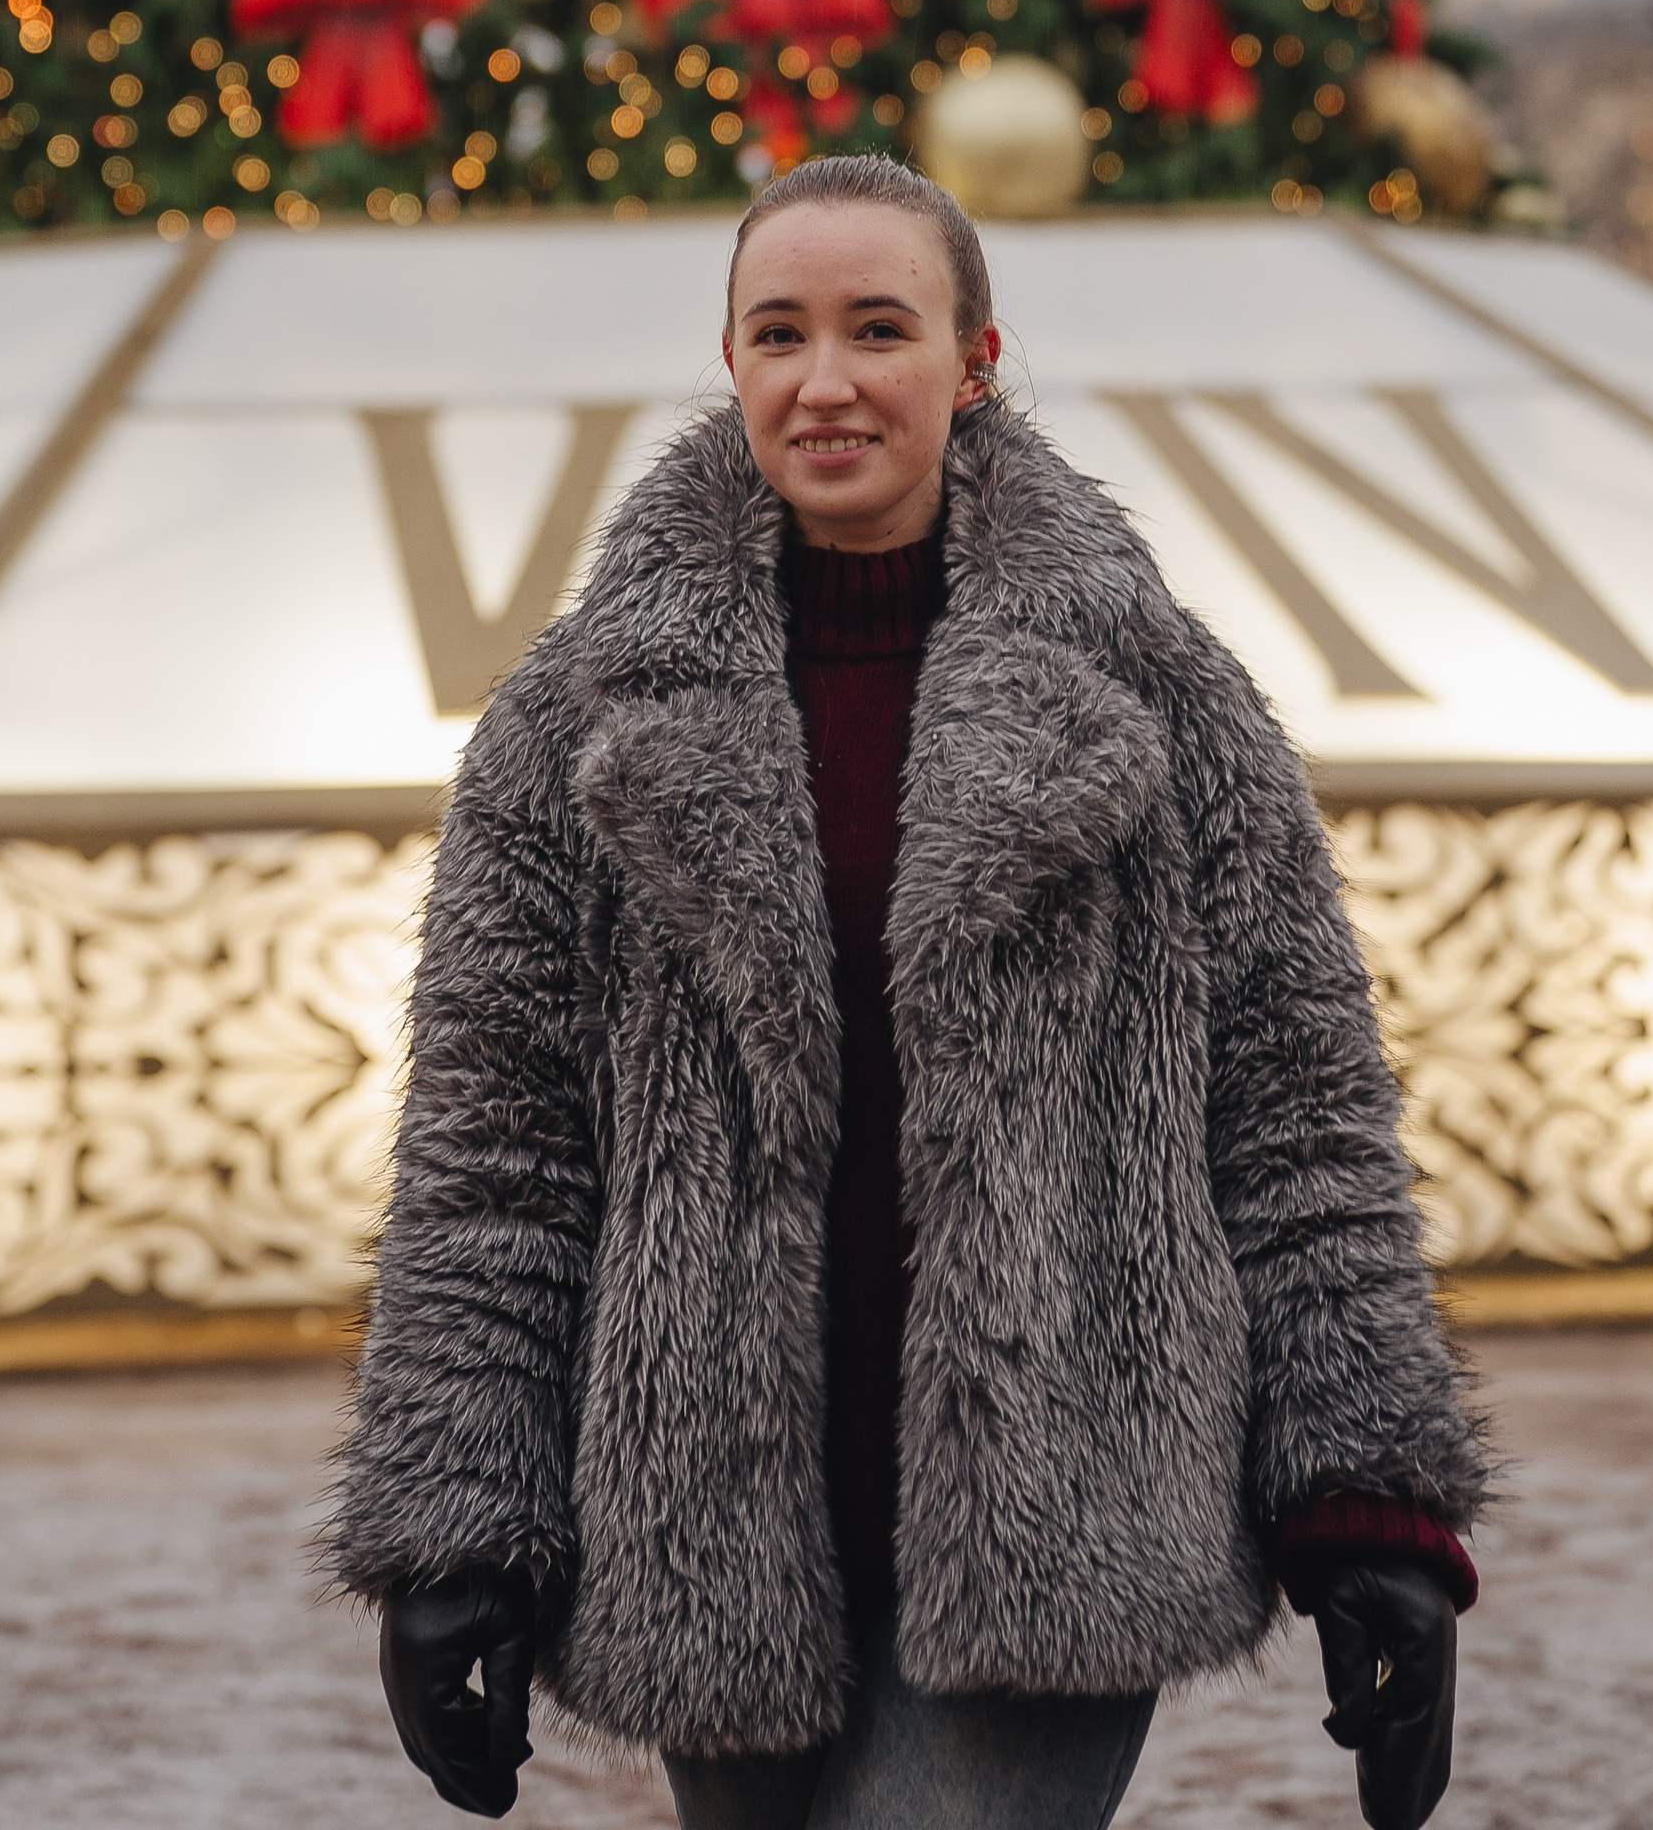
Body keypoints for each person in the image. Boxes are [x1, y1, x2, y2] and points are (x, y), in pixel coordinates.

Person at [336, 154, 1483, 1830]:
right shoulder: (570, 725)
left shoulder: (1165, 703)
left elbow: (1300, 1125)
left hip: (1067, 1501)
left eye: (880, 329)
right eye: (780, 333)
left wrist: (1373, 1508)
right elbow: (495, 1161)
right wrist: (456, 1532)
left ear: (976, 358)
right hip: (713, 1526)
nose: (827, 381)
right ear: (730, 362)